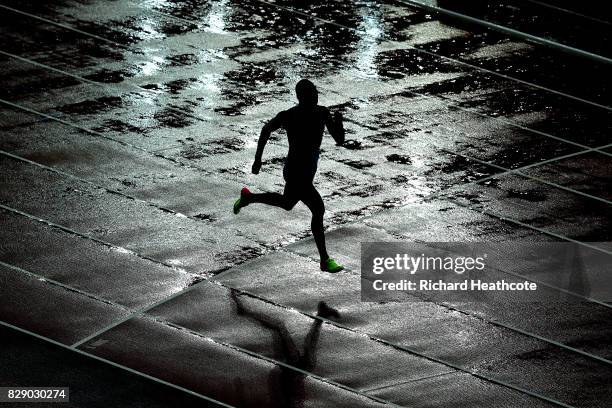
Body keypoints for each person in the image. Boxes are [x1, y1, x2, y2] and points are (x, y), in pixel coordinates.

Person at [233, 79, 345, 273]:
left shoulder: (322, 114)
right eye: (311, 94)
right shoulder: (290, 116)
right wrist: (258, 159)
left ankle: (249, 198)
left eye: (316, 92)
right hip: (295, 171)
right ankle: (324, 260)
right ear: (302, 97)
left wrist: (339, 123)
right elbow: (265, 130)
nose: (316, 96)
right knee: (318, 209)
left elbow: (339, 140)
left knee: (287, 203)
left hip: (306, 171)